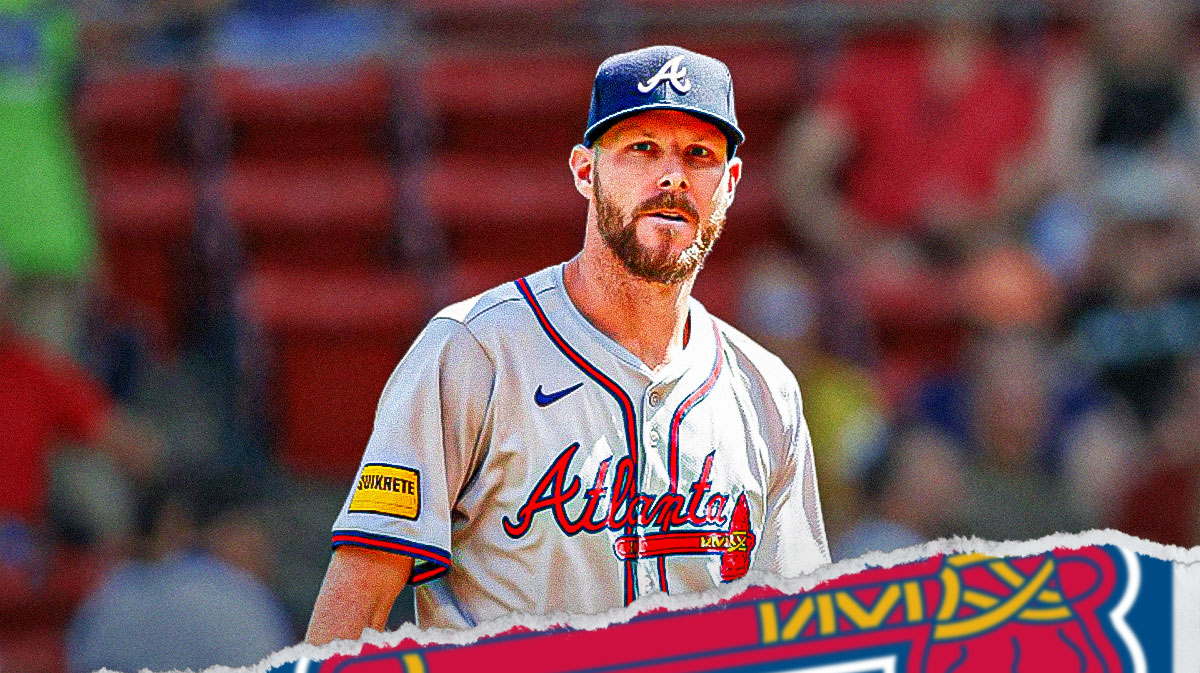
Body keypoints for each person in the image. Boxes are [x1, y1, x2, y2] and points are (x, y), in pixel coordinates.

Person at [306, 45, 830, 642]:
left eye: (699, 154)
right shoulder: (474, 352)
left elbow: (798, 637)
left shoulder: (766, 392)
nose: (672, 176)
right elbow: (352, 616)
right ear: (585, 170)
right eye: (642, 147)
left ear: (730, 183)